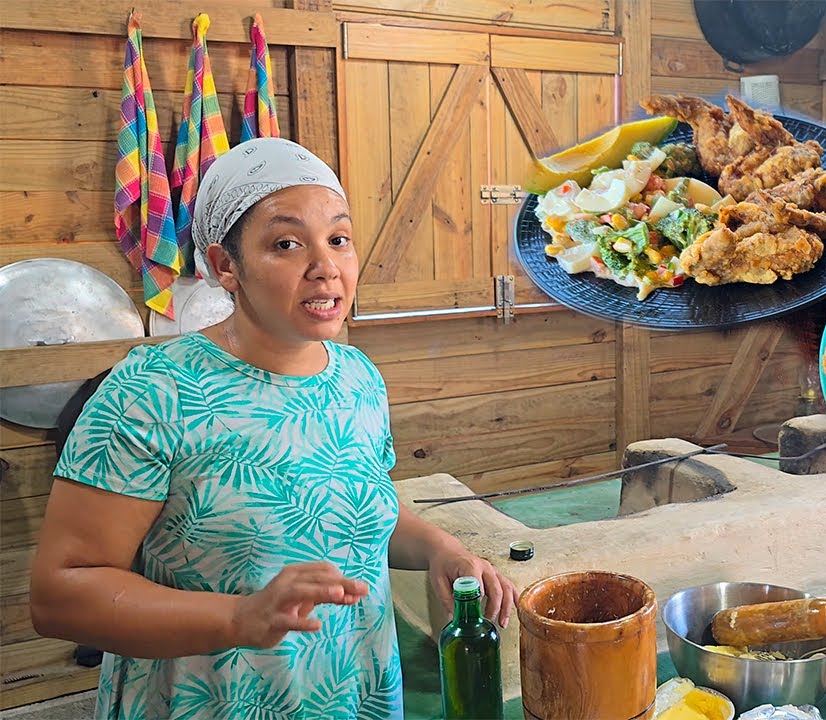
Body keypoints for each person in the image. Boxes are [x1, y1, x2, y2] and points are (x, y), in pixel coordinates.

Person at [29, 138, 517, 720]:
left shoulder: (356, 377)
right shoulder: (156, 390)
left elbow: (361, 512)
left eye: (339, 239)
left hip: (354, 695)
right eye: (287, 244)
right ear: (224, 266)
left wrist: (443, 550)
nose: (326, 267)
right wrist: (237, 619)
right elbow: (61, 594)